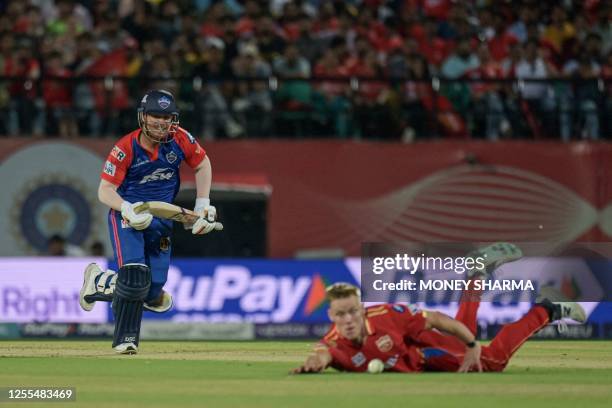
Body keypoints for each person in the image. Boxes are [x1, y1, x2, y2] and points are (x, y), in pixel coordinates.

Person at [78, 89, 222, 355]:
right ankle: (126, 340)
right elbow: (104, 190)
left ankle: (100, 282)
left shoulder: (181, 139)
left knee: (154, 291)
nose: (161, 122)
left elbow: (202, 164)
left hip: (163, 217)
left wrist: (202, 204)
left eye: (166, 117)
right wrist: (127, 209)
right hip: (128, 215)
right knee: (134, 276)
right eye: (155, 116)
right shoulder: (124, 148)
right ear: (143, 117)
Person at [292, 245, 586, 374]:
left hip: (426, 350)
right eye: (340, 315)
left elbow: (435, 320)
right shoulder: (334, 342)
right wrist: (314, 363)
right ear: (331, 317)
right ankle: (476, 274)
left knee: (493, 360)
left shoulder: (388, 316)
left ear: (362, 309)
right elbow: (323, 353)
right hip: (421, 359)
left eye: (352, 311)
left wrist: (472, 346)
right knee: (467, 333)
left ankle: (548, 309)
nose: (348, 320)